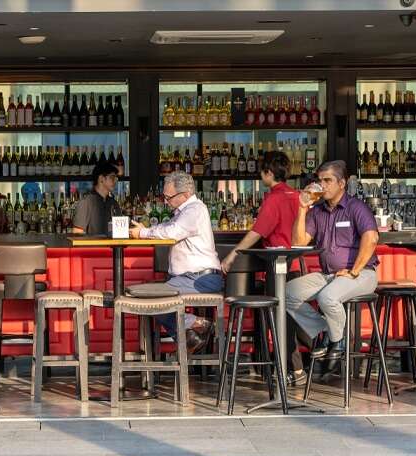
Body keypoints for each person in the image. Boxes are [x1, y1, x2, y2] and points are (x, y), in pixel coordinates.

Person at [219, 151, 310, 385]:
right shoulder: (298, 196)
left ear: (268, 173)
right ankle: (310, 354)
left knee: (283, 316)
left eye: (262, 172)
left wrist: (233, 254)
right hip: (298, 263)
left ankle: (296, 368)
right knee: (291, 312)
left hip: (279, 264)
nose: (261, 176)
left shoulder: (275, 198)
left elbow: (258, 231)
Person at [286, 160, 379, 373]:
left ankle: (338, 342)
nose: (322, 185)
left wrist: (354, 271)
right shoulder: (317, 211)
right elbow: (298, 243)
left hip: (361, 273)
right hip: (330, 275)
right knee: (287, 293)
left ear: (342, 183)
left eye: (328, 181)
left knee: (327, 297)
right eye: (320, 181)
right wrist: (302, 209)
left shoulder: (356, 207)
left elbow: (372, 238)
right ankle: (328, 331)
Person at [130, 171, 222, 353]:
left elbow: (173, 231)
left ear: (186, 195)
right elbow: (168, 227)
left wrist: (142, 233)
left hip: (199, 279)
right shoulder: (184, 212)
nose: (166, 201)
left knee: (145, 298)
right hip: (190, 278)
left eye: (169, 197)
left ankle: (197, 323)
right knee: (143, 296)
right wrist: (148, 230)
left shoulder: (195, 209)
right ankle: (190, 337)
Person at [72, 162, 121, 235]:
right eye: (112, 177)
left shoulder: (114, 203)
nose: (115, 181)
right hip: (93, 246)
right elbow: (77, 233)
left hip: (113, 246)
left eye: (116, 178)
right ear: (101, 178)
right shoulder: (86, 203)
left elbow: (120, 231)